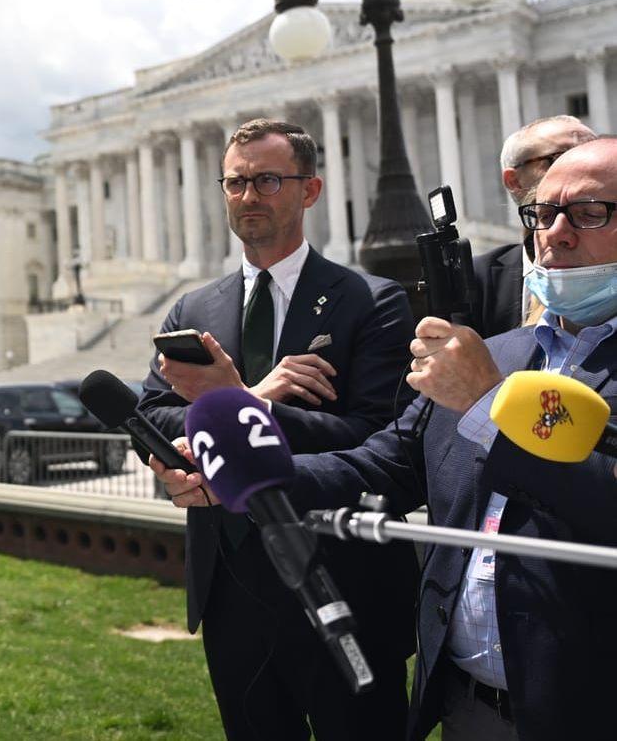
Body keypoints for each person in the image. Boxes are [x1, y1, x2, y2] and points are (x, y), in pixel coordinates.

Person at [154, 136, 617, 740]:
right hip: (468, 703)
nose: (553, 234)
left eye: (588, 213)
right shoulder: (498, 354)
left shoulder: (476, 371)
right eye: (541, 213)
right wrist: (247, 478)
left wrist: (486, 402)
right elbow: (383, 466)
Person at [136, 119, 419, 740]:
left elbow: (381, 439)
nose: (247, 197)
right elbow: (150, 416)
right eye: (235, 182)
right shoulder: (194, 310)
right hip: (232, 588)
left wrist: (241, 408)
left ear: (310, 190)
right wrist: (250, 400)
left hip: (345, 584)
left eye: (267, 180)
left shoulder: (371, 302)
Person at [469, 115, 596, 338]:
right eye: (561, 157)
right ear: (514, 181)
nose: (584, 165)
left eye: (593, 153)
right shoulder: (474, 280)